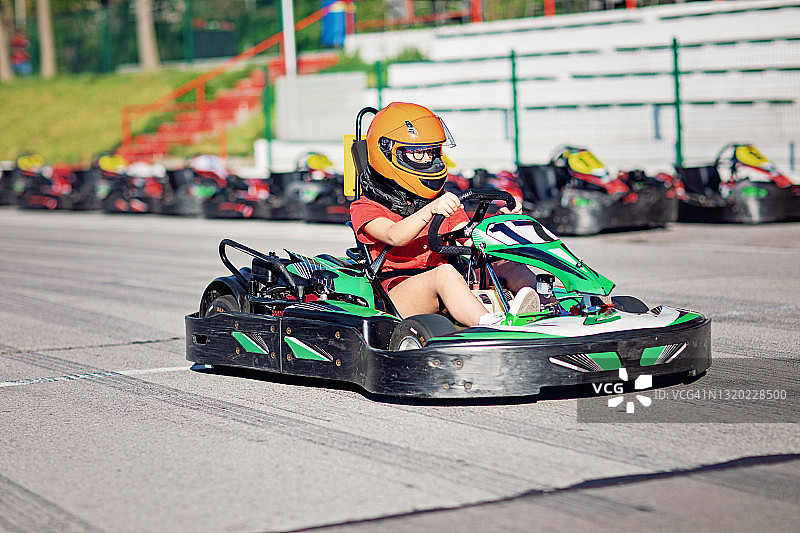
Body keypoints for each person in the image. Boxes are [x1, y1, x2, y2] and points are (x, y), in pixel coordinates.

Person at [349, 102, 541, 327]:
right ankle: (492, 326)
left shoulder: (442, 201)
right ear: (389, 154)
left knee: (506, 263)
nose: (428, 160)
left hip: (452, 280)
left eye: (431, 152)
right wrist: (430, 210)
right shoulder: (366, 207)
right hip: (397, 294)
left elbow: (470, 239)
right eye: (418, 153)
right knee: (445, 273)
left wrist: (500, 219)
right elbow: (394, 236)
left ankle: (546, 310)